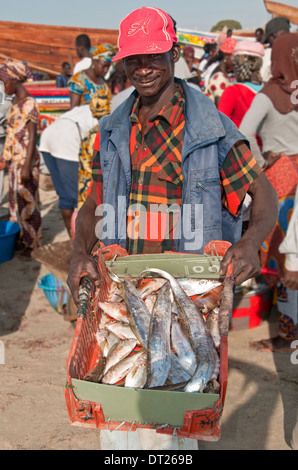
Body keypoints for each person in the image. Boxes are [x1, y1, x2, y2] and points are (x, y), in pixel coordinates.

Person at [67, 6, 278, 449]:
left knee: (171, 428)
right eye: (133, 59)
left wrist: (250, 244)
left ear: (174, 54)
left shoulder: (212, 130)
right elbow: (92, 204)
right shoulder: (111, 130)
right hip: (124, 295)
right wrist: (80, 253)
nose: (143, 69)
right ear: (122, 62)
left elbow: (266, 198)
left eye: (154, 56)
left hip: (186, 304)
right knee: (119, 425)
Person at [239, 33, 298, 352]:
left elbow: (244, 133)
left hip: (282, 179)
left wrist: (260, 164)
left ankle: (288, 333)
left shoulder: (268, 95)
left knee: (283, 251)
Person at [39, 92, 102, 237]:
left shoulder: (78, 110)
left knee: (65, 195)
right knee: (77, 197)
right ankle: (79, 240)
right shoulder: (101, 112)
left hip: (47, 139)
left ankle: (72, 237)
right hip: (66, 142)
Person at [0, 59, 42, 257]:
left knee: (29, 204)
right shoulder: (15, 103)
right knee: (16, 203)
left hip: (26, 162)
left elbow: (33, 136)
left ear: (14, 81)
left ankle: (33, 244)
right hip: (14, 162)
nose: (3, 86)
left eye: (4, 82)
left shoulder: (29, 103)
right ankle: (21, 238)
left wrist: (26, 166)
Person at [218, 40, 264, 128]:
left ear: (237, 65)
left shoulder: (233, 91)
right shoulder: (267, 92)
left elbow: (220, 125)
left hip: (239, 141)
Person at [68, 43, 117, 109]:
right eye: (104, 66)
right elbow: (74, 111)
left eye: (108, 67)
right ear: (94, 61)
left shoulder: (103, 81)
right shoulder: (78, 80)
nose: (106, 70)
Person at [204, 36, 237, 106]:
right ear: (226, 56)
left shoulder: (222, 72)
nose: (236, 62)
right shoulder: (220, 78)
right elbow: (219, 110)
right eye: (235, 58)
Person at [260, 17, 290, 84]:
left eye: (268, 40)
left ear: (274, 35)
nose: (269, 43)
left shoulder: (269, 53)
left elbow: (261, 78)